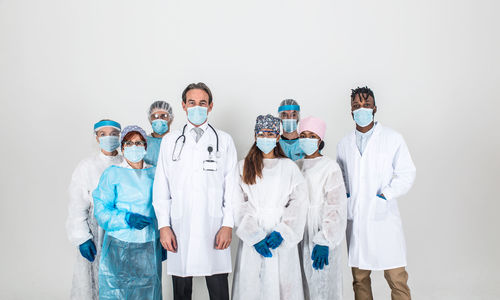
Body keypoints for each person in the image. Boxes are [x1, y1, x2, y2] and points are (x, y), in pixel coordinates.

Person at [153, 82, 237, 300]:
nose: (197, 107)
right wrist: (164, 226)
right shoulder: (170, 141)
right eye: (192, 102)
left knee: (218, 287)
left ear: (210, 106)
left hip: (215, 225)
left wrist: (228, 224)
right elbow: (161, 186)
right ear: (183, 105)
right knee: (181, 290)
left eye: (202, 103)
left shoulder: (224, 140)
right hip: (180, 225)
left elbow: (232, 187)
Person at [336, 86, 416, 300]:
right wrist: (347, 199)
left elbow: (407, 173)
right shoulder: (344, 144)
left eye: (366, 105)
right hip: (357, 220)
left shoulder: (392, 138)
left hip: (384, 217)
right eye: (356, 106)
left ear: (375, 108)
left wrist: (385, 196)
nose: (361, 109)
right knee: (360, 280)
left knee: (397, 278)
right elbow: (341, 178)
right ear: (350, 111)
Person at [232, 114, 308, 300]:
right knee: (252, 286)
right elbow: (238, 204)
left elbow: (299, 202)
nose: (265, 137)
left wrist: (284, 231)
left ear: (277, 136)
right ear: (255, 135)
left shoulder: (288, 167)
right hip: (253, 239)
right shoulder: (243, 166)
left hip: (281, 237)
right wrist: (254, 236)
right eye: (261, 133)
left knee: (284, 287)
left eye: (270, 133)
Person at [93, 125, 163, 300]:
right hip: (119, 244)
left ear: (145, 147)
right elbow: (101, 210)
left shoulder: (155, 173)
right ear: (122, 147)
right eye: (129, 143)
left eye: (139, 142)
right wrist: (126, 218)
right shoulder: (113, 173)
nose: (134, 146)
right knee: (118, 291)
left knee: (148, 291)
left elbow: (165, 204)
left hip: (149, 243)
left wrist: (164, 234)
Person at [66, 119, 123, 300]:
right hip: (97, 232)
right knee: (95, 281)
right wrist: (82, 238)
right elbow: (77, 205)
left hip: (122, 230)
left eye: (114, 134)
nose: (109, 138)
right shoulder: (87, 166)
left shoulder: (127, 162)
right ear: (96, 138)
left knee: (122, 280)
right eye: (103, 134)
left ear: (120, 137)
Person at [295, 116, 347, 300]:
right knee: (302, 287)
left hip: (320, 232)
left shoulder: (330, 167)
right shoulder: (298, 166)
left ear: (320, 141)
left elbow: (336, 206)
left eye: (312, 135)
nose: (306, 139)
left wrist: (325, 239)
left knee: (322, 285)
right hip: (299, 234)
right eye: (303, 135)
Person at [144, 100, 174, 166]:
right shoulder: (142, 143)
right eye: (155, 116)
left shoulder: (177, 142)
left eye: (164, 116)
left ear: (171, 119)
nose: (159, 119)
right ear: (150, 120)